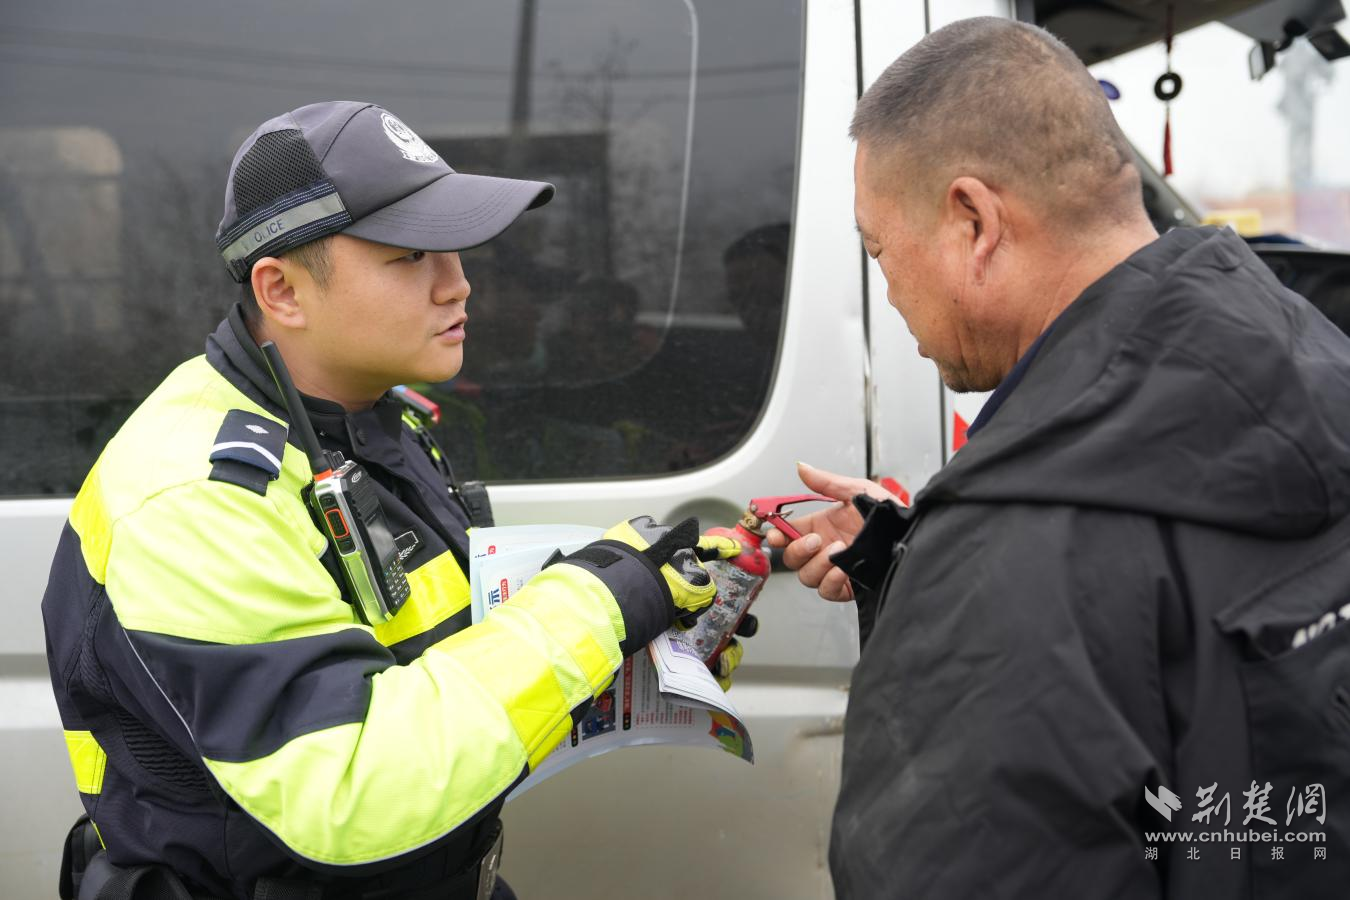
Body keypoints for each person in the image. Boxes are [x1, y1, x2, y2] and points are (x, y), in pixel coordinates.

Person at [41, 100, 742, 900]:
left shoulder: (369, 415)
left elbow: (442, 675)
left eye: (452, 249)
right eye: (411, 255)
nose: (458, 284)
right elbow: (352, 789)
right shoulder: (191, 497)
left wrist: (640, 639)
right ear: (283, 290)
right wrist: (595, 607)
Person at [768, 18, 1350, 899]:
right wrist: (917, 554)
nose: (888, 292)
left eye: (881, 251)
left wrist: (961, 579)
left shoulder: (1011, 564)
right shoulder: (1311, 365)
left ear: (973, 221)